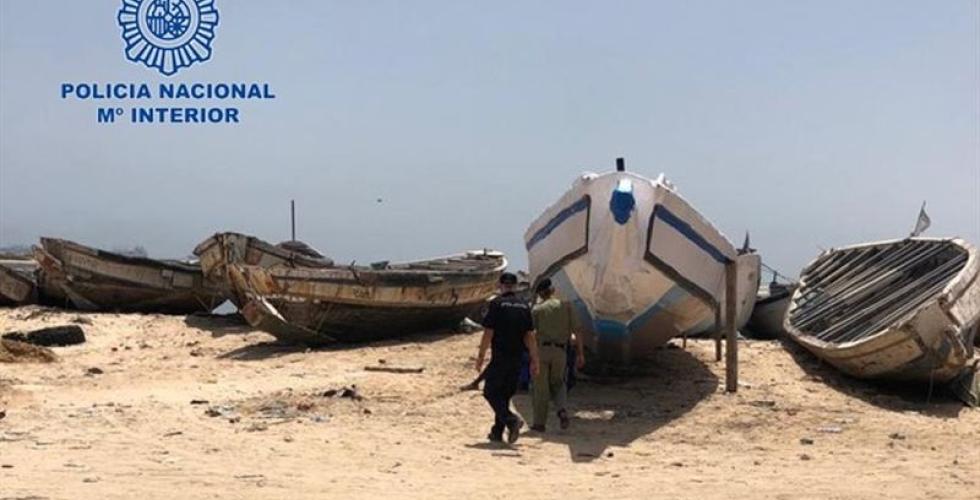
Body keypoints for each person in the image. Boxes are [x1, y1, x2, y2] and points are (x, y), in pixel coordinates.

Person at [476, 272, 539, 444]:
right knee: (504, 395)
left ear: (501, 286)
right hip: (517, 359)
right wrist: (535, 359)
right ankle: (497, 432)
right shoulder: (524, 306)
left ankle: (512, 420)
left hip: (500, 358)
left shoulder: (496, 304)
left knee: (490, 392)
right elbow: (530, 336)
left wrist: (481, 357)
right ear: (516, 286)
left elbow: (488, 333)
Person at [530, 278, 584, 432]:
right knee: (559, 383)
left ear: (540, 294)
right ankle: (562, 410)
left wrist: (532, 355)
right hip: (560, 351)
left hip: (542, 351)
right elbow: (578, 330)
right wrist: (580, 353)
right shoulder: (566, 306)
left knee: (541, 387)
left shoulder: (537, 309)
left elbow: (530, 334)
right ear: (553, 290)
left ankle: (539, 423)